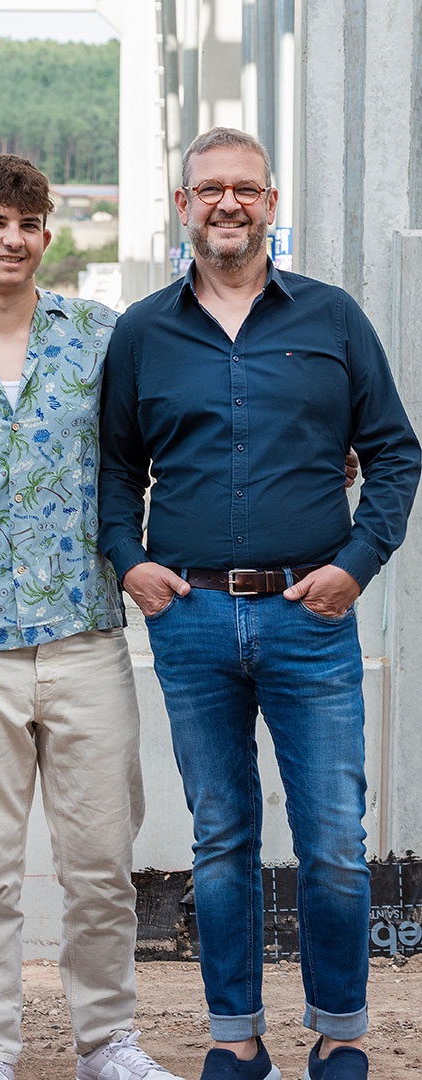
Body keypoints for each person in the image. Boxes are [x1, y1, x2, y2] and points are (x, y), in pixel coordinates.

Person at [98, 127, 421, 1080]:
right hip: (191, 620)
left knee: (332, 840)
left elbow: (397, 454)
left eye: (245, 188)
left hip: (310, 616)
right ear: (184, 206)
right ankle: (234, 1038)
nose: (227, 204)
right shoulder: (145, 332)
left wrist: (359, 564)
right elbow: (116, 470)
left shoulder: (333, 318)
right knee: (222, 838)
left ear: (271, 204)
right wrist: (129, 560)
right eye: (209, 190)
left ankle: (341, 1032)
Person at [0, 155, 182, 1080]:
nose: (10, 238)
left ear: (45, 236)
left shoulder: (98, 338)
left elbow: (173, 425)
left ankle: (107, 1043)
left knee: (100, 864)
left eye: (27, 223)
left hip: (86, 636)